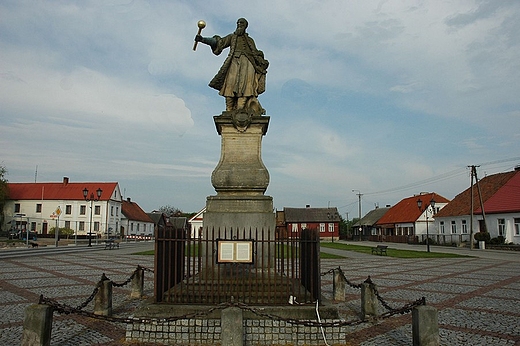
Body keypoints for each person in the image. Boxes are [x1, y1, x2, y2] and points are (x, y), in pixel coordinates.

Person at [195, 18, 268, 114]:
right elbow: (219, 42)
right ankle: (229, 109)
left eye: (241, 23)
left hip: (248, 64)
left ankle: (241, 109)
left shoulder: (250, 40)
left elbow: (256, 53)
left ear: (245, 26)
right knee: (230, 84)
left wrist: (261, 61)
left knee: (246, 86)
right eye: (238, 23)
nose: (239, 24)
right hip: (234, 63)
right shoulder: (232, 37)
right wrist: (203, 39)